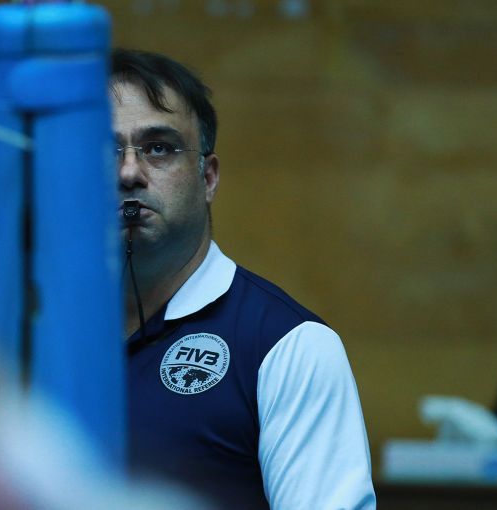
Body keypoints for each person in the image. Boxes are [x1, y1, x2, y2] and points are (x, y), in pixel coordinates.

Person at [113, 48, 376, 509]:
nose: (129, 172)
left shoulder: (290, 346)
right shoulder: (30, 334)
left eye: (158, 148)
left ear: (208, 178)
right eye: (104, 149)